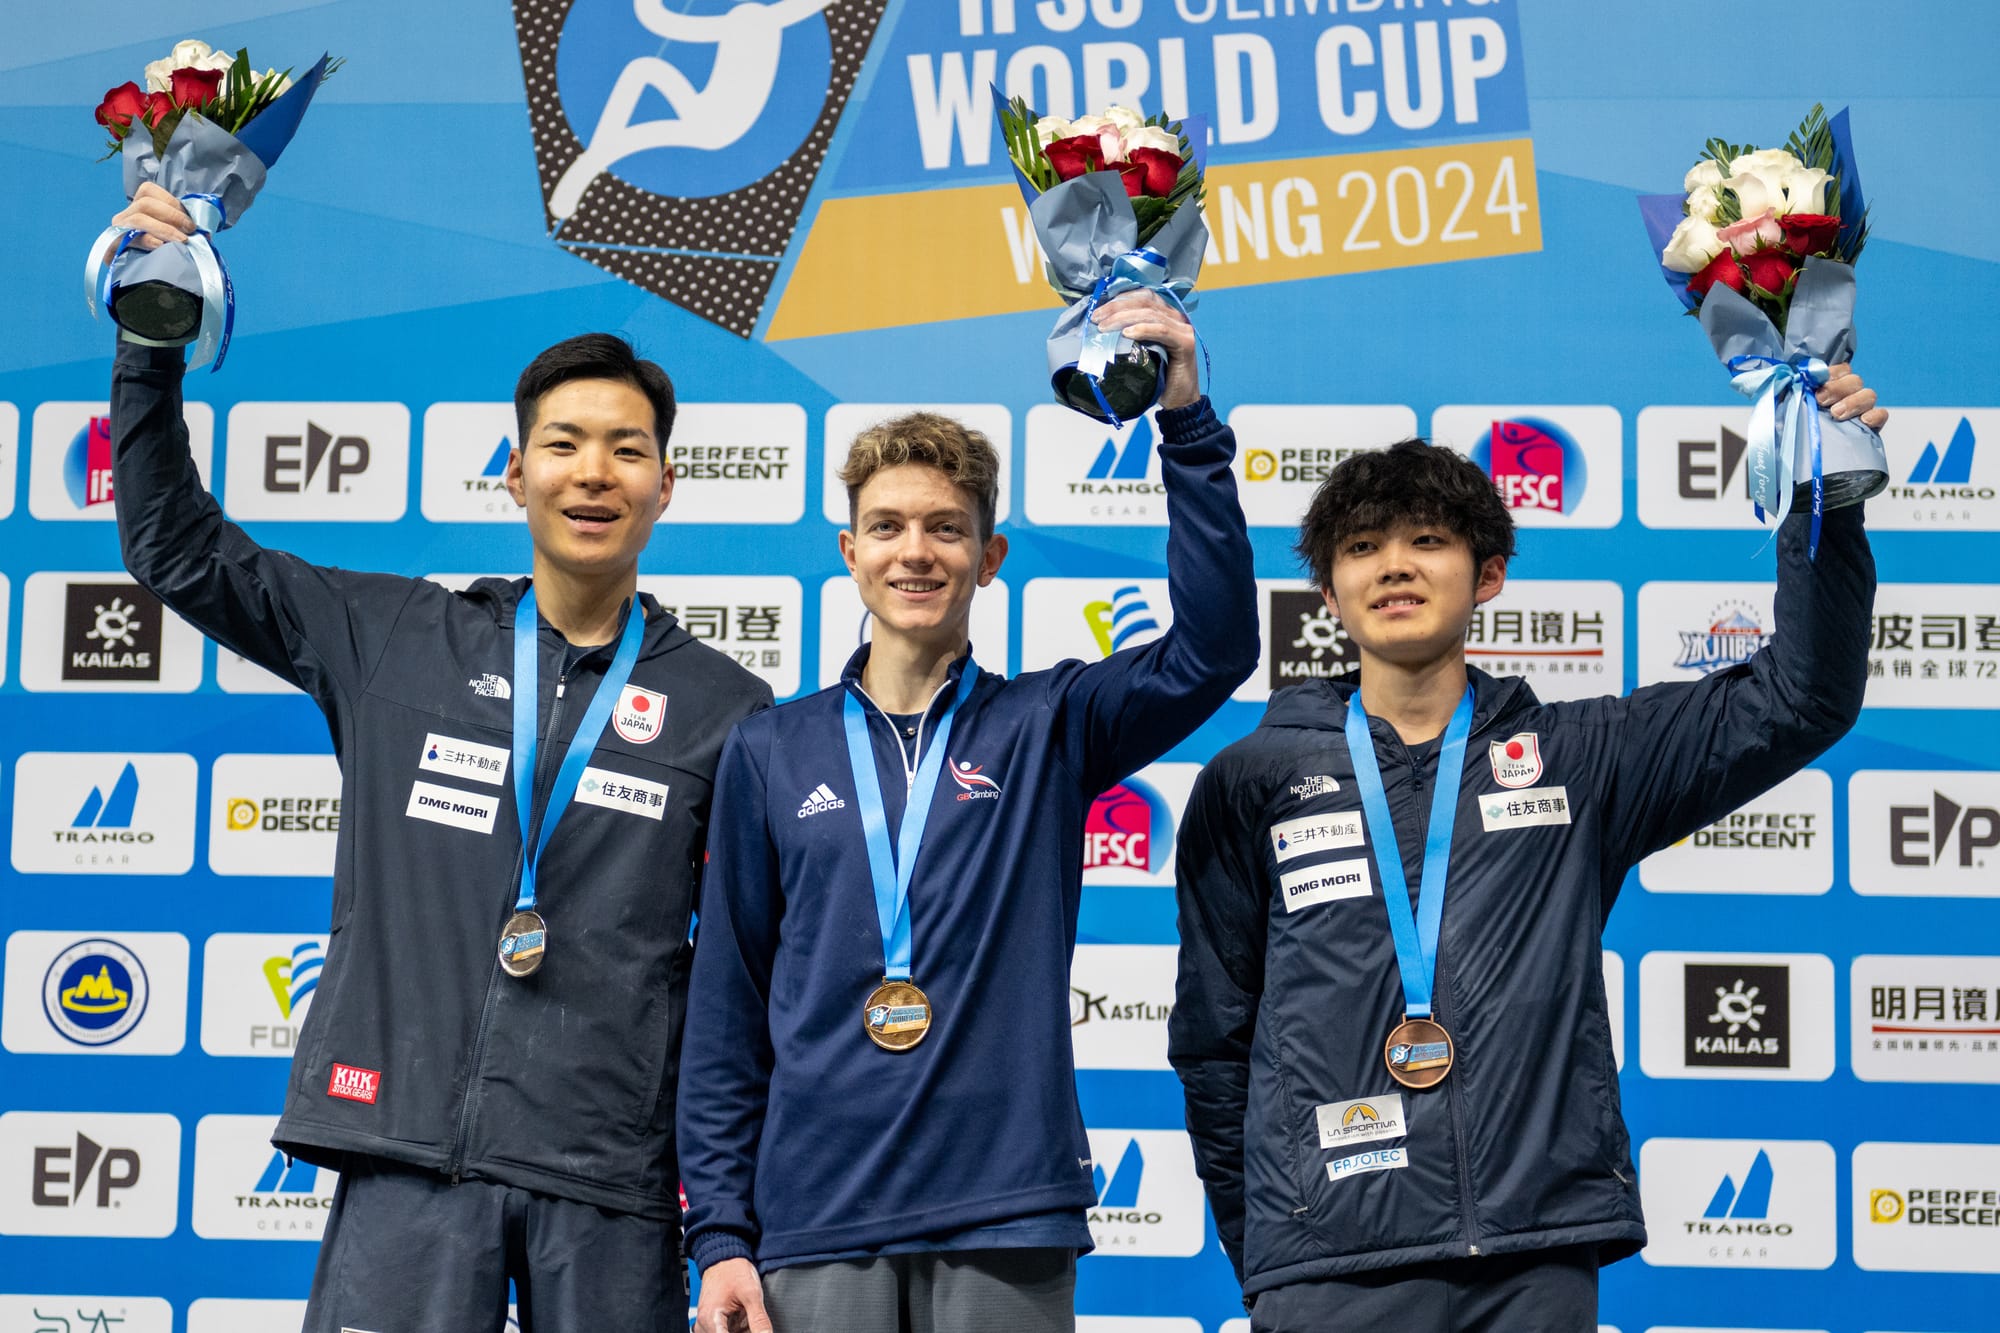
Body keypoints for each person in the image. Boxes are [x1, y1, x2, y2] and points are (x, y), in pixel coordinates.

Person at [106, 182, 772, 1332]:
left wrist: (726, 1221)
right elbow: (176, 547)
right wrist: (149, 336)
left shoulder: (728, 708)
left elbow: (754, 978)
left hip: (608, 1182)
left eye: (626, 449)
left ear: (666, 485)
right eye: (562, 444)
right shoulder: (397, 639)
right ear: (514, 474)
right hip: (408, 1151)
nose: (593, 471)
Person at [1168, 373, 1887, 1331]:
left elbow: (1801, 700)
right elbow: (1216, 1041)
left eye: (1428, 541)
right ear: (1329, 587)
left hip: (1532, 1260)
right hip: (1328, 1266)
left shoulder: (1582, 757)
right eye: (1362, 547)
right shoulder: (1250, 781)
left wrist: (1820, 498)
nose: (1394, 566)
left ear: (1490, 572)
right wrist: (1268, 1245)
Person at [679, 295, 1257, 1333]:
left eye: (947, 528)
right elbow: (728, 1007)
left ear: (988, 558)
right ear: (846, 550)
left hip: (1005, 1208)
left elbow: (1210, 649)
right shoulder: (769, 748)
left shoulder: (1048, 723)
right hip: (817, 1215)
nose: (916, 552)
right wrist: (720, 1233)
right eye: (888, 527)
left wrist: (1186, 421)